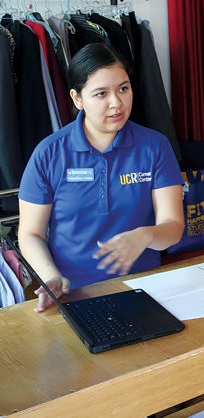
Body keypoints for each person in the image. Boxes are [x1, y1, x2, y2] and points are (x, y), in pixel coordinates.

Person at [18, 43, 185, 312]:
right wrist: (51, 277)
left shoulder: (155, 146)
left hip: (143, 289)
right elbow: (30, 233)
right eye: (101, 93)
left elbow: (173, 226)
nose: (116, 103)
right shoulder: (49, 154)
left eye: (123, 88)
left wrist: (144, 236)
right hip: (73, 294)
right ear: (77, 98)